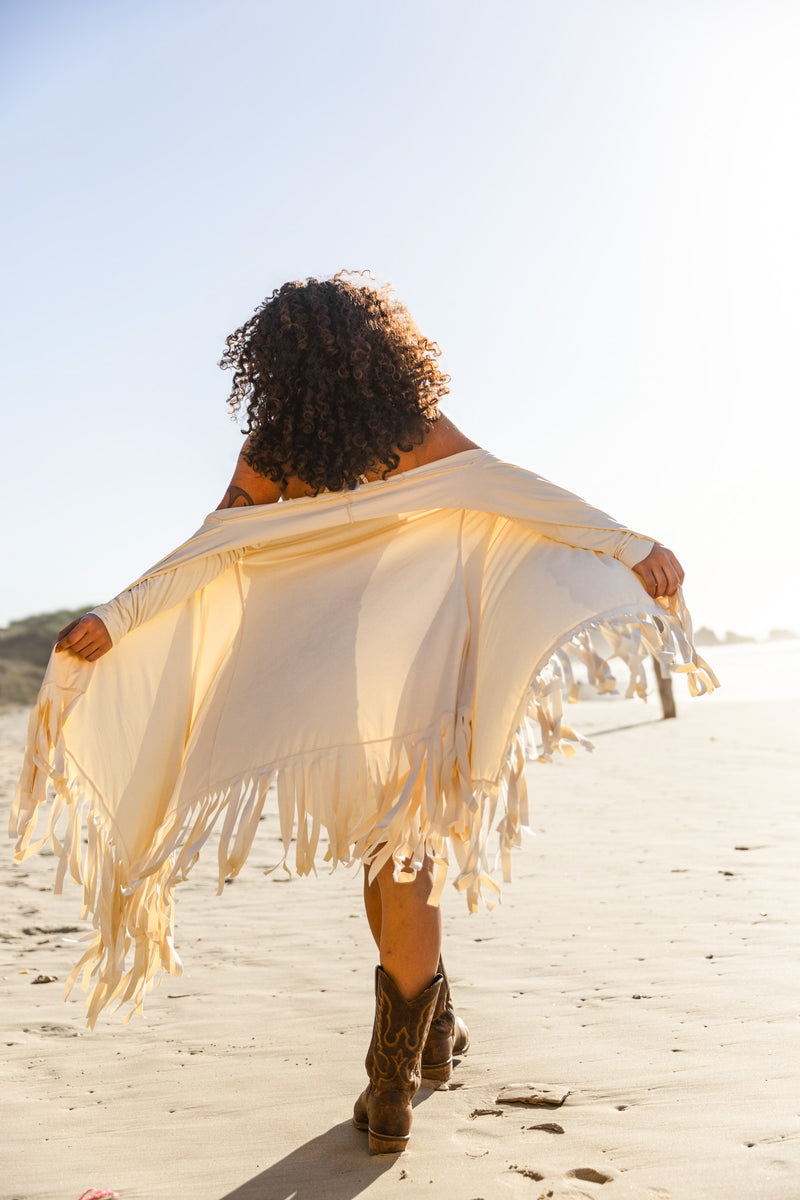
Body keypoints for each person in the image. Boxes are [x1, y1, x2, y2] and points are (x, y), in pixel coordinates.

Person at [18, 272, 701, 1157]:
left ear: (272, 363)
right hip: (411, 661)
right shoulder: (411, 430)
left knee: (389, 858)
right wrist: (628, 543)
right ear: (378, 348)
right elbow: (509, 488)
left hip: (326, 676)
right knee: (404, 853)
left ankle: (413, 1057)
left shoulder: (274, 448)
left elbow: (204, 551)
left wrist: (117, 616)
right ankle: (399, 1078)